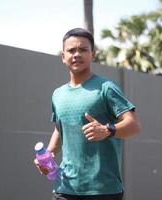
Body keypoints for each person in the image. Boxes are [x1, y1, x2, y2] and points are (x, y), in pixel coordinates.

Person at [34, 28, 140, 200]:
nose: (77, 54)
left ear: (93, 54)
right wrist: (49, 155)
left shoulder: (106, 88)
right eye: (71, 50)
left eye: (83, 49)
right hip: (64, 189)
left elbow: (134, 125)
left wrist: (108, 130)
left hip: (103, 191)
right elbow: (60, 128)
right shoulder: (58, 94)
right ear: (63, 56)